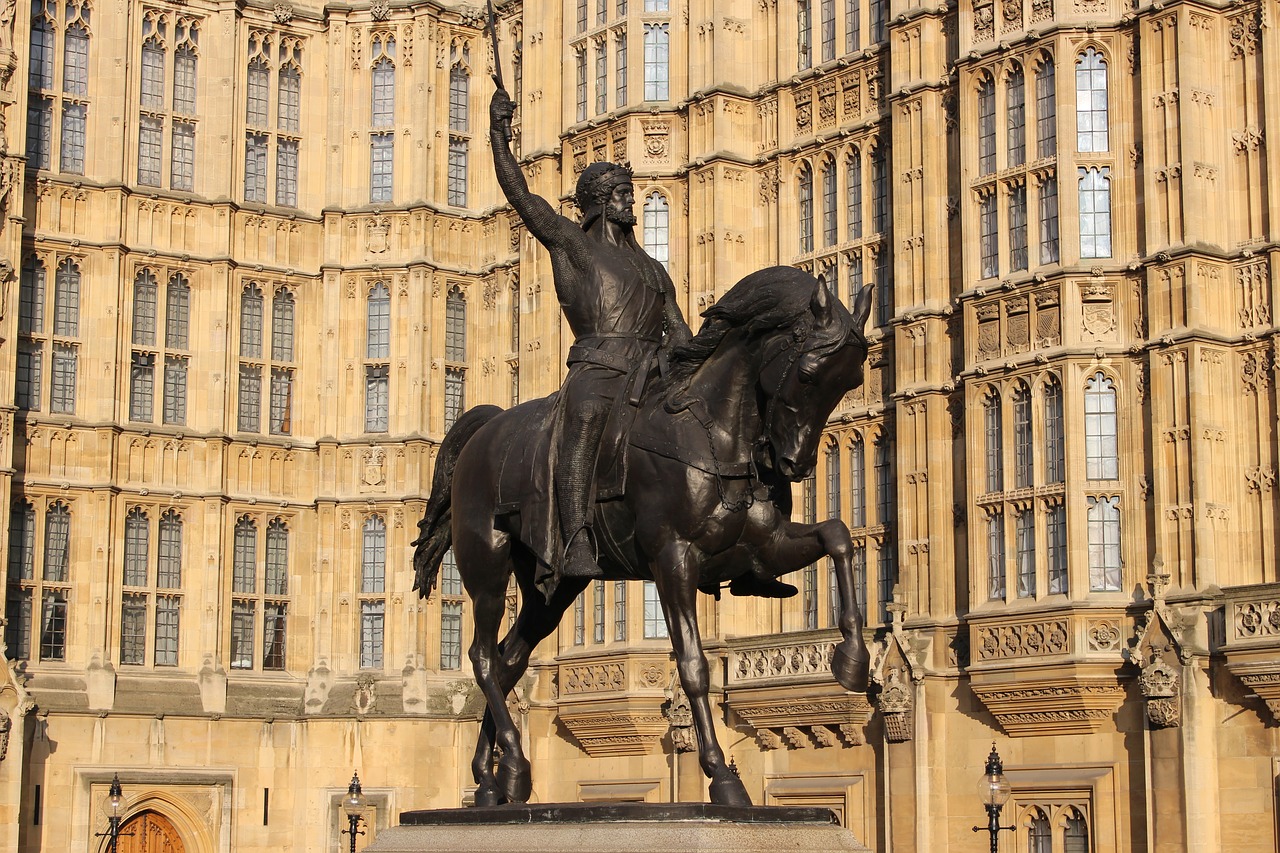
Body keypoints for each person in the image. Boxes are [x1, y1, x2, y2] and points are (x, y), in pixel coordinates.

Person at [490, 87, 692, 582]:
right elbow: (522, 197)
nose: (632, 202)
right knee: (582, 421)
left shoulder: (651, 269)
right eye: (623, 194)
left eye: (632, 193)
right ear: (601, 202)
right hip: (599, 370)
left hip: (649, 374)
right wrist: (499, 135)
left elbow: (680, 331)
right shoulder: (573, 246)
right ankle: (577, 535)